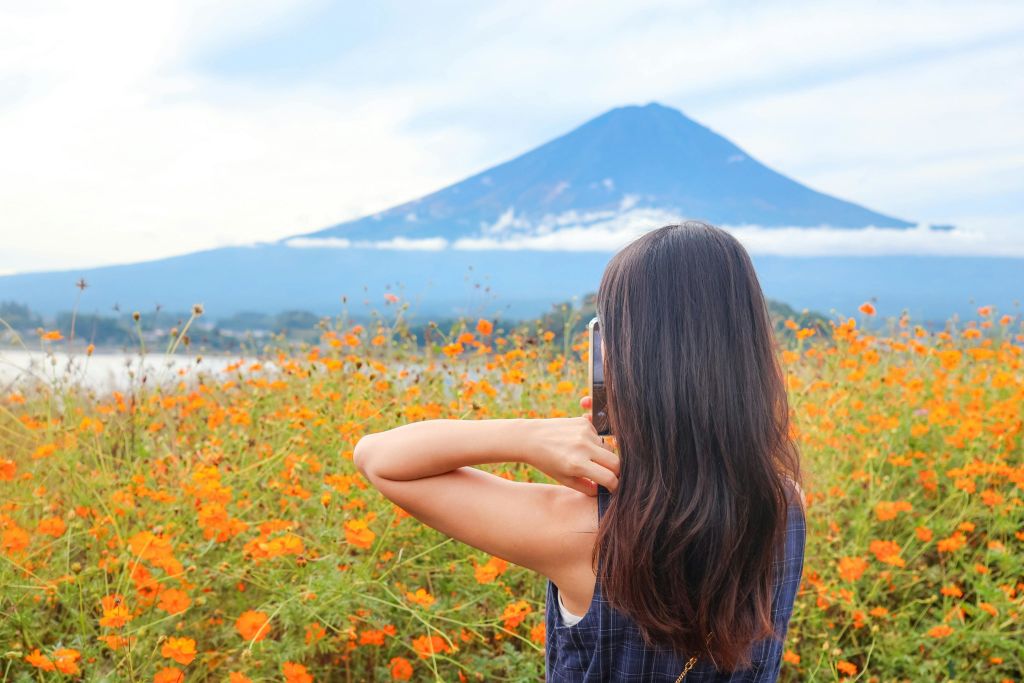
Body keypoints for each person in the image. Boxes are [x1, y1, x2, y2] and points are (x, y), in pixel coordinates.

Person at [354, 221, 807, 681]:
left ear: (629, 362)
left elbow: (378, 458)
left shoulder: (584, 533)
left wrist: (527, 438)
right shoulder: (785, 505)